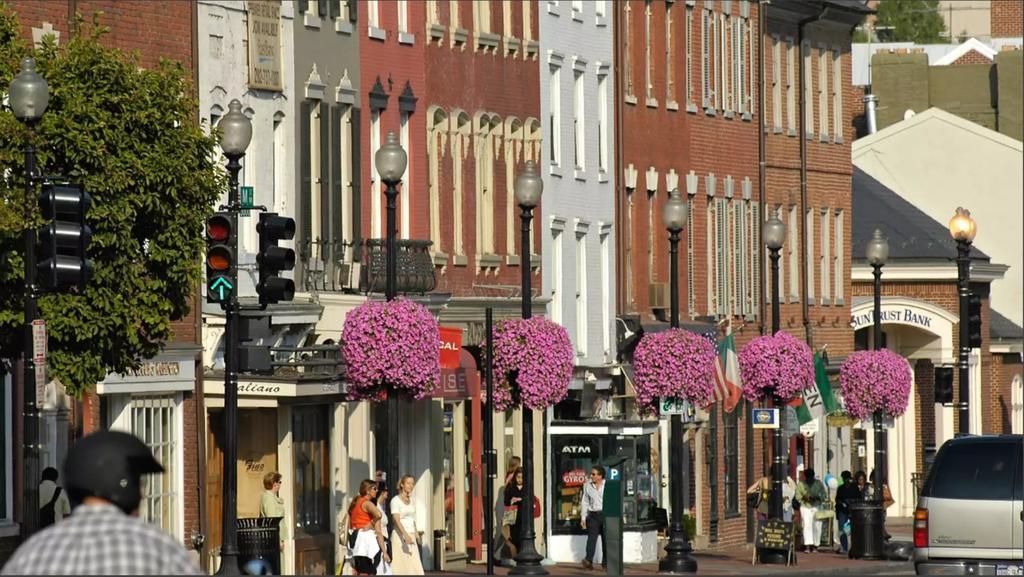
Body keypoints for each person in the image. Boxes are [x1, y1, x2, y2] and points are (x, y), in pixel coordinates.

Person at [1, 430, 202, 575]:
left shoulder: (31, 555)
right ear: (121, 484)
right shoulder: (158, 550)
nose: (141, 493)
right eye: (135, 482)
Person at [344, 479, 390, 576]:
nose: (376, 491)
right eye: (374, 488)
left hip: (355, 542)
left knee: (361, 571)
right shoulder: (367, 503)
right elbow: (378, 516)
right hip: (366, 543)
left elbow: (350, 525)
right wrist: (370, 524)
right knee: (370, 571)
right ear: (367, 490)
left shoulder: (355, 503)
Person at [258, 471, 287, 574]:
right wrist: (278, 540)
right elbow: (272, 520)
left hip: (275, 538)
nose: (280, 485)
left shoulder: (272, 497)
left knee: (279, 566)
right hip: (273, 540)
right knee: (277, 567)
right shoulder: (268, 498)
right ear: (274, 484)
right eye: (280, 482)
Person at [580, 466, 607, 571]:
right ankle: (588, 560)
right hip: (593, 515)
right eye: (591, 474)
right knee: (591, 539)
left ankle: (606, 564)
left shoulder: (607, 485)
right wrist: (583, 518)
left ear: (600, 476)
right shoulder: (587, 486)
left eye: (594, 474)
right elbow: (585, 502)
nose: (591, 476)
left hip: (605, 514)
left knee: (606, 540)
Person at [795, 468, 827, 553]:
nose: (810, 479)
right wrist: (804, 498)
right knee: (806, 525)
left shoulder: (818, 483)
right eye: (808, 477)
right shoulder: (801, 484)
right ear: (805, 477)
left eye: (811, 477)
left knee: (817, 525)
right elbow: (797, 496)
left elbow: (824, 495)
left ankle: (816, 545)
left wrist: (817, 497)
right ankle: (808, 545)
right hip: (805, 506)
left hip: (816, 506)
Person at [834, 470, 862, 554]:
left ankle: (854, 547)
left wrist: (851, 501)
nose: (845, 479)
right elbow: (837, 499)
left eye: (847, 478)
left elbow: (859, 498)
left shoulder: (854, 487)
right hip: (842, 511)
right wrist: (842, 503)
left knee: (851, 530)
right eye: (844, 478)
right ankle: (844, 547)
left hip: (852, 511)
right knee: (842, 529)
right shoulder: (840, 488)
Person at [502, 467, 525, 564]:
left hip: (523, 516)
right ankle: (516, 556)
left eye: (522, 477)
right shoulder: (510, 487)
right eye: (518, 477)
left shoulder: (527, 487)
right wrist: (511, 500)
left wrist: (521, 500)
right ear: (515, 477)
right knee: (514, 536)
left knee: (523, 536)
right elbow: (506, 501)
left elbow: (530, 499)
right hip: (513, 516)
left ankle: (521, 557)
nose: (520, 479)